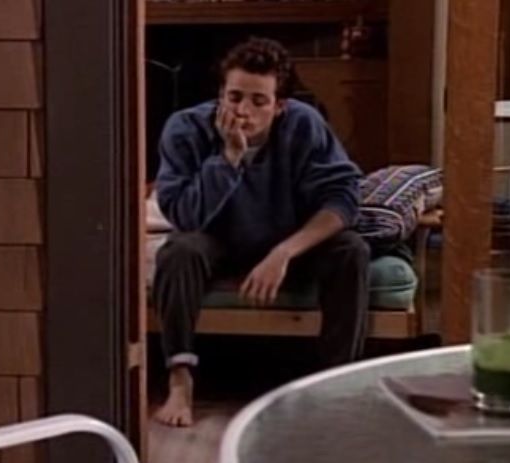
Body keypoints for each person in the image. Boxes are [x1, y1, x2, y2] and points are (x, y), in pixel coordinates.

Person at [152, 37, 370, 427]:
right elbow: (184, 215)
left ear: (279, 106)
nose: (243, 111)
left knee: (351, 250)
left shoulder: (303, 124)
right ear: (221, 95)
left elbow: (343, 199)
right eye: (234, 97)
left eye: (258, 101)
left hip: (286, 238)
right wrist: (229, 158)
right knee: (178, 252)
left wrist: (284, 252)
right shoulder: (185, 129)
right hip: (215, 238)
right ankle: (180, 383)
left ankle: (335, 386)